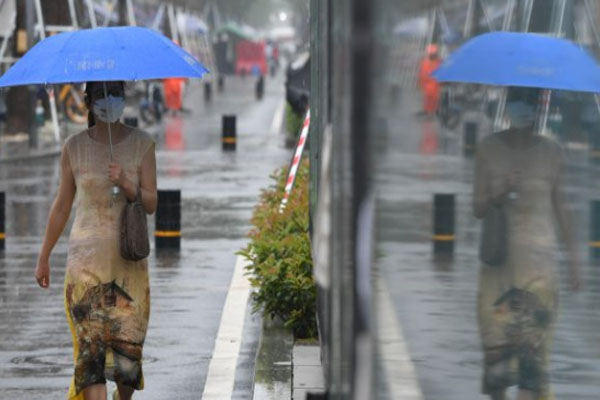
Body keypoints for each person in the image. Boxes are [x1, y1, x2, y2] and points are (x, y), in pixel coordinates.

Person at [34, 81, 157, 400]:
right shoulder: (73, 148)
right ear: (88, 102)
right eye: (102, 94)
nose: (109, 100)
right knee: (92, 363)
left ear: (124, 99)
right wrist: (44, 256)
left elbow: (153, 202)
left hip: (129, 268)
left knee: (127, 367)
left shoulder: (143, 144)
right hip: (85, 270)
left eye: (115, 93)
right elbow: (62, 206)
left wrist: (127, 183)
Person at [473, 87, 581, 400]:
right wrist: (500, 191)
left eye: (532, 101)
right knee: (497, 374)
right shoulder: (487, 149)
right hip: (498, 274)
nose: (526, 109)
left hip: (540, 272)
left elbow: (563, 208)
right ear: (508, 107)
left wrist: (574, 261)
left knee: (531, 372)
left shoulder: (552, 151)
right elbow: (477, 208)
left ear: (540, 106)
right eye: (520, 101)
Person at [418, 44, 442, 115]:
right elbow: (422, 74)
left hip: (434, 85)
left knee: (433, 99)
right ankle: (428, 111)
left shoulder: (438, 63)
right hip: (428, 85)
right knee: (428, 99)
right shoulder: (425, 62)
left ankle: (432, 111)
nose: (432, 55)